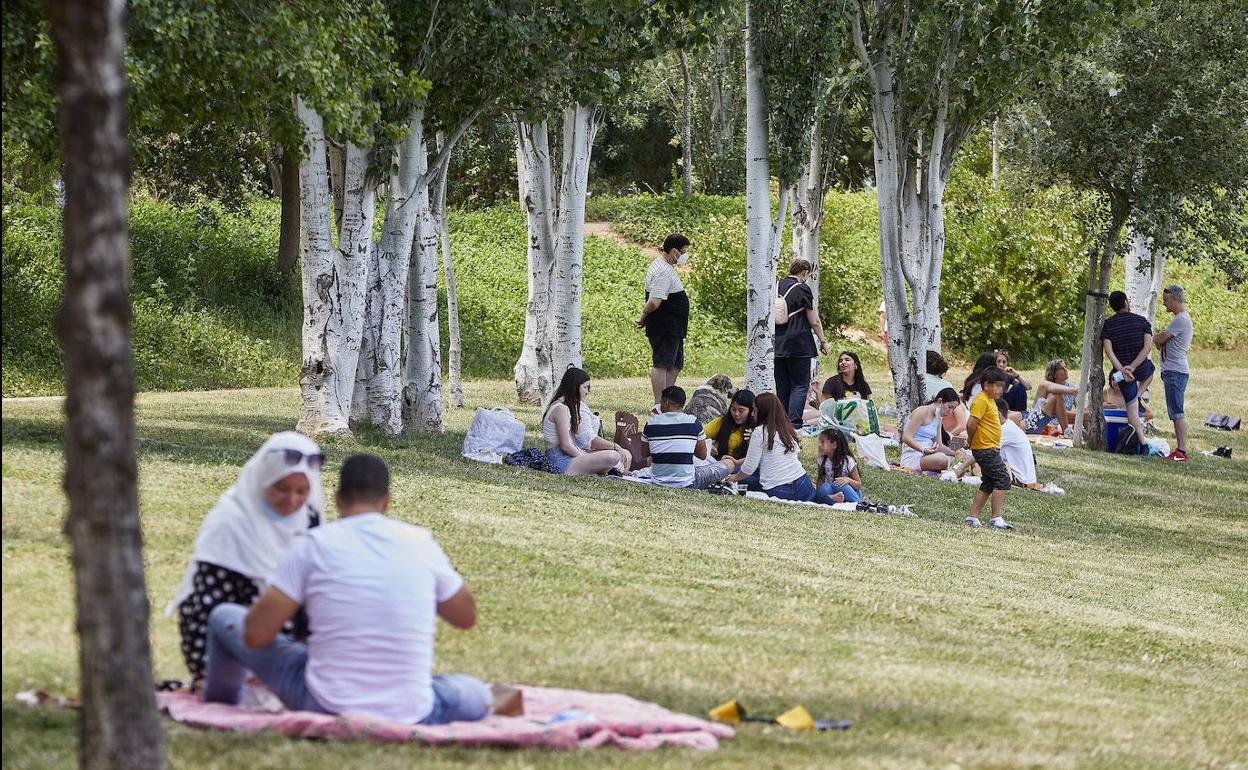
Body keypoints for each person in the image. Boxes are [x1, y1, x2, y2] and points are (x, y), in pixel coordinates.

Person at [203, 454, 491, 724]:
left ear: (338, 499)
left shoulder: (314, 545)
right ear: (387, 501)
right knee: (476, 694)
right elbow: (465, 617)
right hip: (411, 710)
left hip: (324, 703)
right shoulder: (419, 542)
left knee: (223, 617)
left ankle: (221, 705)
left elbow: (256, 634)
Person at [167, 432, 325, 686]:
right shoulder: (230, 522)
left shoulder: (309, 521)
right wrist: (210, 672)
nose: (292, 500)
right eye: (281, 488)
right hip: (238, 657)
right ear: (264, 480)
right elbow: (204, 610)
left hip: (293, 655)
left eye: (302, 491)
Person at [730, 393, 836, 505]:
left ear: (762, 412)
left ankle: (824, 498)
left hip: (779, 488)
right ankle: (826, 499)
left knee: (743, 476)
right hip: (803, 482)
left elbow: (749, 468)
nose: (752, 414)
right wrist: (737, 462)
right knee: (810, 495)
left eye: (755, 411)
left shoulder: (759, 432)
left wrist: (734, 478)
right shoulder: (785, 428)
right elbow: (768, 458)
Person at [641, 386, 738, 488]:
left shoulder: (651, 423)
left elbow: (644, 453)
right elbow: (702, 455)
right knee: (729, 464)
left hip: (658, 480)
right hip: (688, 481)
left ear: (665, 402)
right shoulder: (693, 422)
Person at [774, 258, 832, 428]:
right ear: (805, 273)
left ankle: (781, 423)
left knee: (782, 386)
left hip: (777, 344)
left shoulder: (776, 285)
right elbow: (814, 320)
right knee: (799, 385)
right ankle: (794, 424)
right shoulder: (803, 289)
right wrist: (823, 341)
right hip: (799, 344)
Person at [637, 234, 691, 411]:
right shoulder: (662, 271)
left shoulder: (667, 267)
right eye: (683, 252)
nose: (685, 255)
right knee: (662, 363)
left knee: (675, 364)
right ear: (674, 251)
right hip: (665, 326)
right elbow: (654, 301)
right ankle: (659, 405)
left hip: (674, 327)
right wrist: (643, 317)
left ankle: (668, 402)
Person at [542, 367, 631, 476]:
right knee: (613, 456)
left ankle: (606, 470)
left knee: (617, 456)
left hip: (568, 456)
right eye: (585, 387)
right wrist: (587, 458)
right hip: (560, 461)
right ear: (574, 386)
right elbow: (566, 445)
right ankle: (605, 470)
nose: (587, 391)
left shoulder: (563, 406)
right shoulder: (560, 408)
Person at [1100, 290, 1154, 450]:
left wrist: (1122, 369)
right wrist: (1134, 366)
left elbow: (1108, 351)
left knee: (1131, 407)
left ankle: (1142, 443)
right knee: (1151, 370)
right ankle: (1138, 395)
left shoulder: (1108, 324)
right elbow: (1147, 346)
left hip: (1121, 374)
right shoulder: (1142, 321)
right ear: (1125, 302)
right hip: (1140, 367)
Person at [965, 368, 1015, 529]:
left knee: (988, 482)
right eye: (998, 386)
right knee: (1003, 479)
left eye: (1002, 386)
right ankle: (996, 517)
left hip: (989, 448)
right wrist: (970, 440)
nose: (1001, 390)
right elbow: (971, 424)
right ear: (986, 385)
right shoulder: (981, 400)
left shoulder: (989, 400)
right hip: (985, 449)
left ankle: (973, 517)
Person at [1153, 285, 1192, 461]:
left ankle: (1182, 451)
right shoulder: (1179, 319)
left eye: (1166, 300)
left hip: (1175, 370)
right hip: (1173, 370)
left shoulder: (1180, 319)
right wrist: (1160, 339)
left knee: (1177, 411)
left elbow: (1159, 339)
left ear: (1175, 299)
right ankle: (1180, 449)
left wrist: (1159, 337)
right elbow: (1160, 342)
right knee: (1174, 411)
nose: (1164, 303)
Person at [900, 387, 964, 471]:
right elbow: (906, 437)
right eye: (949, 407)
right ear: (940, 401)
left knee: (954, 455)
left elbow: (939, 445)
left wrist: (955, 453)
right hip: (914, 454)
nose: (950, 412)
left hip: (929, 452)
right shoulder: (922, 411)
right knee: (942, 458)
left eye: (953, 409)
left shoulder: (938, 418)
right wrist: (923, 450)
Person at [1022, 359, 1079, 435]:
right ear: (1054, 374)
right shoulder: (1045, 386)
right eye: (1062, 368)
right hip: (1044, 423)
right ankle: (1067, 432)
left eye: (1065, 367)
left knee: (1086, 414)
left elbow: (1080, 409)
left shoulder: (1071, 386)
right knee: (1058, 395)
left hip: (1064, 422)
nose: (1066, 370)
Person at [705, 389, 756, 461]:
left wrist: (755, 441)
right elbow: (698, 435)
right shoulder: (722, 421)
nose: (736, 414)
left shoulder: (758, 428)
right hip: (722, 464)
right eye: (733, 409)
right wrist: (708, 445)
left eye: (741, 411)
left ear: (751, 411)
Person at [925, 350, 967, 437]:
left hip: (955, 429)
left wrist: (947, 437)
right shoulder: (946, 385)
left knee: (963, 436)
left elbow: (962, 424)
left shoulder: (918, 382)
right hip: (946, 430)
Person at [997, 397, 1037, 486]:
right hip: (1023, 478)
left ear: (998, 415)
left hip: (1019, 479)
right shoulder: (1008, 425)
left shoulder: (1004, 430)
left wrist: (960, 469)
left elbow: (986, 452)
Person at [815, 428, 863, 503]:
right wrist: (819, 493)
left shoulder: (848, 461)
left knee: (838, 484)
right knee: (825, 487)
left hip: (850, 491)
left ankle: (859, 503)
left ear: (834, 445)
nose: (819, 445)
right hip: (833, 490)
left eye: (823, 442)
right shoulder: (822, 460)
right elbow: (820, 479)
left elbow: (859, 485)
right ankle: (834, 499)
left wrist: (848, 480)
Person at [993, 349, 1031, 414]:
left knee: (1020, 386)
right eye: (998, 361)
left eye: (1004, 362)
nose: (1001, 364)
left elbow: (1028, 387)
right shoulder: (990, 374)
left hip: (1005, 402)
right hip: (995, 404)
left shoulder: (1007, 375)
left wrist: (1017, 376)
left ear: (1007, 364)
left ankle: (1022, 414)